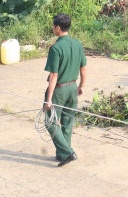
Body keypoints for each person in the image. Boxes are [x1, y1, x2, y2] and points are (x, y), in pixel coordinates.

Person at [44, 14, 87, 167]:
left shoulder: (56, 48)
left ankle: (68, 152)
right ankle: (62, 154)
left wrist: (49, 99)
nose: (52, 28)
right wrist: (81, 86)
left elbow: (54, 75)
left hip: (59, 90)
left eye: (53, 26)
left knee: (50, 122)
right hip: (73, 88)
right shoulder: (77, 44)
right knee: (67, 122)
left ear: (58, 28)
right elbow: (83, 68)